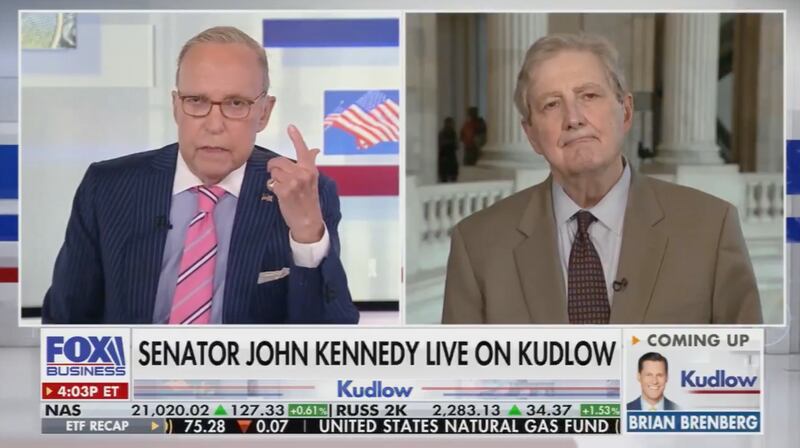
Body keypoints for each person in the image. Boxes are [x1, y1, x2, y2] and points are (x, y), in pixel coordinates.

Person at [41, 26, 359, 324]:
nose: (214, 124)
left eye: (236, 103)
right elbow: (65, 322)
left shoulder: (303, 192)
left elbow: (329, 342)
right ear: (176, 106)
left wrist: (306, 233)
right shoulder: (108, 188)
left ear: (264, 112)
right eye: (197, 101)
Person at [442, 33, 762, 324]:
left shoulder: (712, 228)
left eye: (589, 96)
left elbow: (747, 373)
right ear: (531, 136)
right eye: (551, 104)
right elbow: (459, 382)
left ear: (625, 111)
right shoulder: (477, 246)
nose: (573, 118)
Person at [438, 117, 459, 182]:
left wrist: (453, 143)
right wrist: (451, 142)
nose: (451, 125)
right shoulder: (442, 133)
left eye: (452, 124)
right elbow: (441, 143)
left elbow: (456, 145)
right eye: (450, 123)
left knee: (453, 177)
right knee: (444, 178)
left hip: (451, 157)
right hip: (444, 157)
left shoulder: (453, 133)